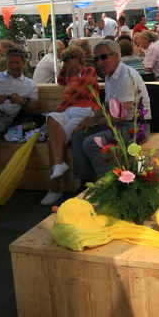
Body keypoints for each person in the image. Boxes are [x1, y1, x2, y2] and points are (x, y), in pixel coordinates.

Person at [71, 40, 151, 182]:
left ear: (116, 56)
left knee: (91, 143)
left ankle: (111, 184)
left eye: (103, 57)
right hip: (118, 125)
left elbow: (119, 116)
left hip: (135, 127)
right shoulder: (109, 76)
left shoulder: (126, 76)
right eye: (96, 59)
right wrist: (90, 121)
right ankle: (85, 183)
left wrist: (94, 123)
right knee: (78, 136)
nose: (99, 62)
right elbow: (107, 107)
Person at [43, 45, 100, 206]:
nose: (65, 62)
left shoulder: (89, 71)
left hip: (84, 111)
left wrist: (62, 105)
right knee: (51, 118)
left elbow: (81, 91)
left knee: (53, 142)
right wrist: (64, 66)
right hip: (68, 111)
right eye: (63, 59)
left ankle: (54, 189)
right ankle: (59, 165)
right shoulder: (72, 77)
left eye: (68, 58)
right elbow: (60, 80)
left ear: (78, 58)